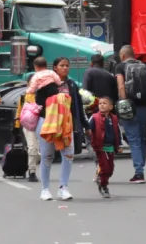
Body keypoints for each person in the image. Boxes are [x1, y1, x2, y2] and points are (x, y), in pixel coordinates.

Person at [35, 56, 85, 201]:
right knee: (47, 156)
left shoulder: (72, 85)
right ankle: (45, 189)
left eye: (67, 65)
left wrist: (84, 125)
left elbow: (78, 107)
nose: (65, 68)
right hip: (47, 122)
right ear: (54, 68)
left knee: (68, 154)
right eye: (62, 65)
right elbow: (39, 102)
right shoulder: (46, 83)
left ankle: (63, 187)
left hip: (66, 124)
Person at [116, 44, 146, 184]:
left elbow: (121, 86)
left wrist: (124, 103)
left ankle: (139, 173)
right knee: (141, 138)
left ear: (122, 55)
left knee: (133, 140)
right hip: (145, 107)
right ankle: (141, 168)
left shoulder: (120, 67)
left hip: (131, 106)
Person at [21, 55, 49, 182]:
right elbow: (20, 112)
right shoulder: (25, 96)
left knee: (41, 150)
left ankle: (37, 168)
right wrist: (16, 125)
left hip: (43, 123)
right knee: (32, 147)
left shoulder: (46, 94)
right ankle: (32, 171)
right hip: (28, 125)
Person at [87, 96, 120, 198]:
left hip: (110, 147)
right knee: (105, 167)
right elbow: (88, 128)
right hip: (100, 147)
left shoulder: (114, 118)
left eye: (104, 103)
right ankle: (103, 186)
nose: (101, 105)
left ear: (111, 106)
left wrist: (119, 145)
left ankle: (100, 177)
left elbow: (118, 132)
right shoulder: (95, 117)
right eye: (100, 103)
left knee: (110, 169)